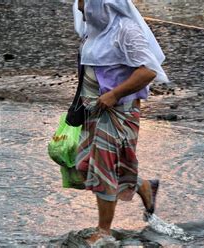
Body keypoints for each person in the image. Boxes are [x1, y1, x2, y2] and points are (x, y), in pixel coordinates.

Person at [72, 0, 170, 244]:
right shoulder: (91, 31)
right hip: (93, 111)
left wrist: (115, 94)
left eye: (84, 3)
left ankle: (103, 231)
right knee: (84, 167)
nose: (80, 7)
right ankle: (144, 186)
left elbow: (148, 70)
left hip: (118, 113)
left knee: (103, 170)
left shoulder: (126, 31)